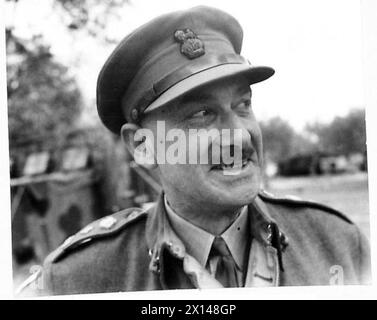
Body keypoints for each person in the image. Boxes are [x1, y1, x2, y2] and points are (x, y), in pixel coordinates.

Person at [23, 5, 370, 295]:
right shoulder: (80, 279)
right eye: (202, 115)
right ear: (143, 146)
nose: (239, 137)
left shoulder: (337, 244)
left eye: (243, 104)